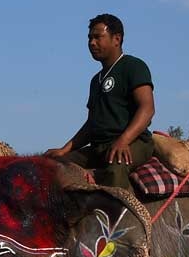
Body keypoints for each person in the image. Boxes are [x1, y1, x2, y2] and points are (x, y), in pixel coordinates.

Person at [44, 13, 155, 189]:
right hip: (99, 147)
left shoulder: (133, 66)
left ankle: (125, 214)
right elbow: (91, 124)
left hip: (133, 142)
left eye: (98, 37)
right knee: (52, 166)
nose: (92, 43)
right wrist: (64, 150)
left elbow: (147, 109)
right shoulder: (96, 80)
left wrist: (124, 140)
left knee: (115, 169)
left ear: (116, 39)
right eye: (89, 38)